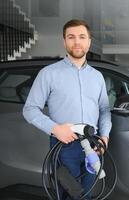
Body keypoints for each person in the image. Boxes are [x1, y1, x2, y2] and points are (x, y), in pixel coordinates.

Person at [23, 19, 112, 199]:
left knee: (87, 194)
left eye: (82, 37)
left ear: (89, 42)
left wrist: (105, 137)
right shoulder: (49, 73)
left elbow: (104, 110)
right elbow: (30, 109)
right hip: (63, 147)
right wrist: (55, 129)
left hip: (93, 145)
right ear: (64, 42)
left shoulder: (97, 77)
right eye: (71, 37)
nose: (77, 42)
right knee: (65, 195)